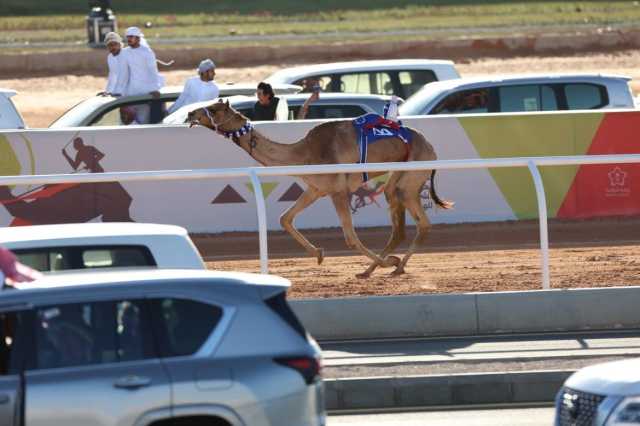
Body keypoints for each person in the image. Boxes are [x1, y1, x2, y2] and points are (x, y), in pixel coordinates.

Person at [114, 26, 164, 123]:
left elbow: (153, 71)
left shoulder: (147, 52)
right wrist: (117, 90)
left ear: (138, 38)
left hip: (145, 94)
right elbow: (122, 74)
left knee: (142, 122)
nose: (129, 39)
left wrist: (154, 88)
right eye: (128, 37)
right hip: (130, 94)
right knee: (126, 122)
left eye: (131, 36)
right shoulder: (124, 53)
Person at [99, 31, 127, 97]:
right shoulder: (110, 57)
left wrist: (116, 91)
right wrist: (107, 92)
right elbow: (113, 76)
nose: (113, 47)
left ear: (120, 44)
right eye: (110, 45)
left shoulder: (127, 54)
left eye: (115, 44)